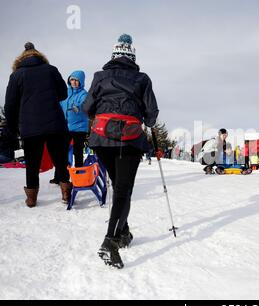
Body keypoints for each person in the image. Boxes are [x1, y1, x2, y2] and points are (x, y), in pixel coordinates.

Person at [83, 34, 159, 269]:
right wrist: (146, 118)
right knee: (123, 191)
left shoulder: (99, 76)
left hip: (102, 139)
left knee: (119, 187)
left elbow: (87, 108)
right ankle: (111, 241)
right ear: (132, 56)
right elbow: (151, 115)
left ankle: (123, 232)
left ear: (114, 55)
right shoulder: (142, 78)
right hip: (130, 139)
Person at [4, 42, 71, 207]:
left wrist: (12, 128)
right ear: (40, 56)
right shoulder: (51, 70)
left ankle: (32, 198)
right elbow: (63, 93)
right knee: (60, 159)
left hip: (30, 126)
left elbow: (10, 104)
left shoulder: (16, 75)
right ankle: (66, 193)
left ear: (20, 59)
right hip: (55, 122)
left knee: (32, 163)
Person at [50, 70, 89, 184]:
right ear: (69, 80)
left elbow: (84, 106)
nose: (74, 82)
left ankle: (78, 177)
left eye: (77, 80)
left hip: (79, 128)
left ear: (81, 82)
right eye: (72, 79)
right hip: (65, 127)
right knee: (61, 153)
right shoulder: (65, 92)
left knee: (78, 152)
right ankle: (60, 176)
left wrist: (78, 108)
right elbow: (58, 104)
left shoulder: (84, 94)